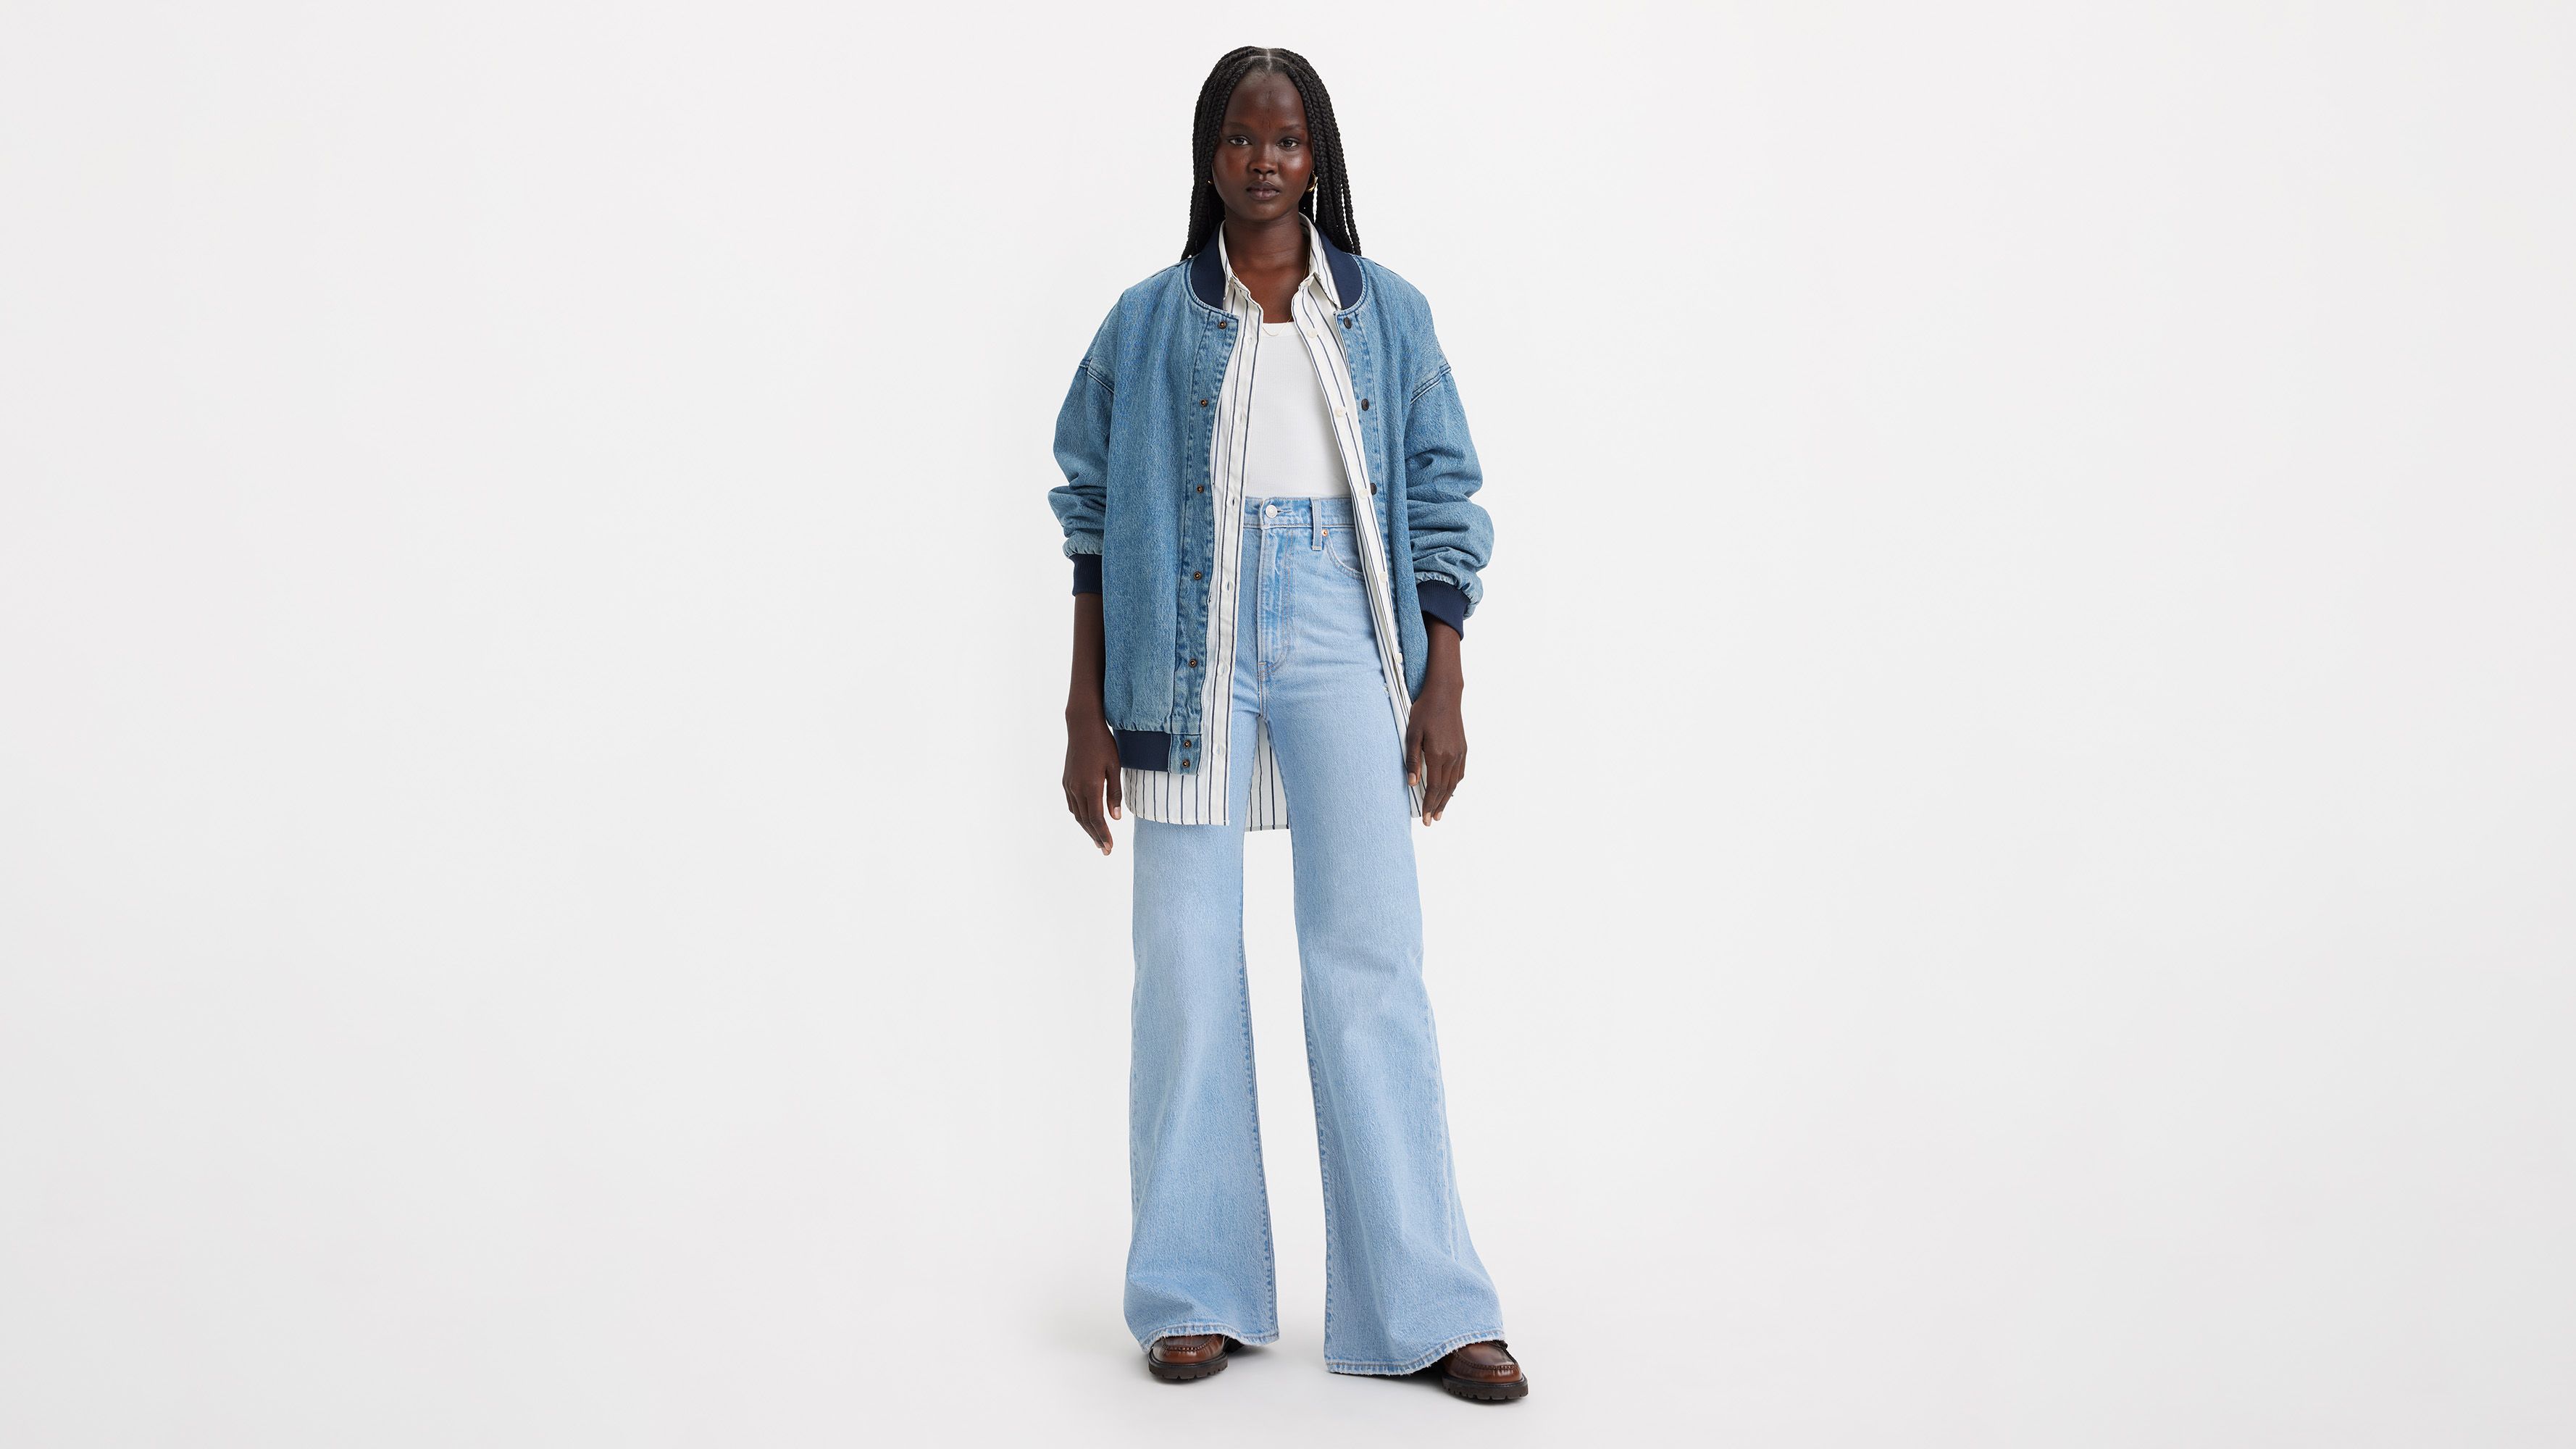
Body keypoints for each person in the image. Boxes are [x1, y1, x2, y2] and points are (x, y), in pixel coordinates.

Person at [1047, 46, 1525, 1404]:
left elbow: (1444, 491)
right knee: (1187, 969)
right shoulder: (1145, 323)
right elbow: (1089, 514)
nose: (1267, 159)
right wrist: (1085, 710)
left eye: (1291, 138)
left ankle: (1428, 1305)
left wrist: (1442, 680)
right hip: (1179, 646)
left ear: (1320, 159)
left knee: (1368, 961)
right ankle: (1194, 1287)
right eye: (1245, 137)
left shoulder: (1385, 315)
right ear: (1210, 154)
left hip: (1342, 628)